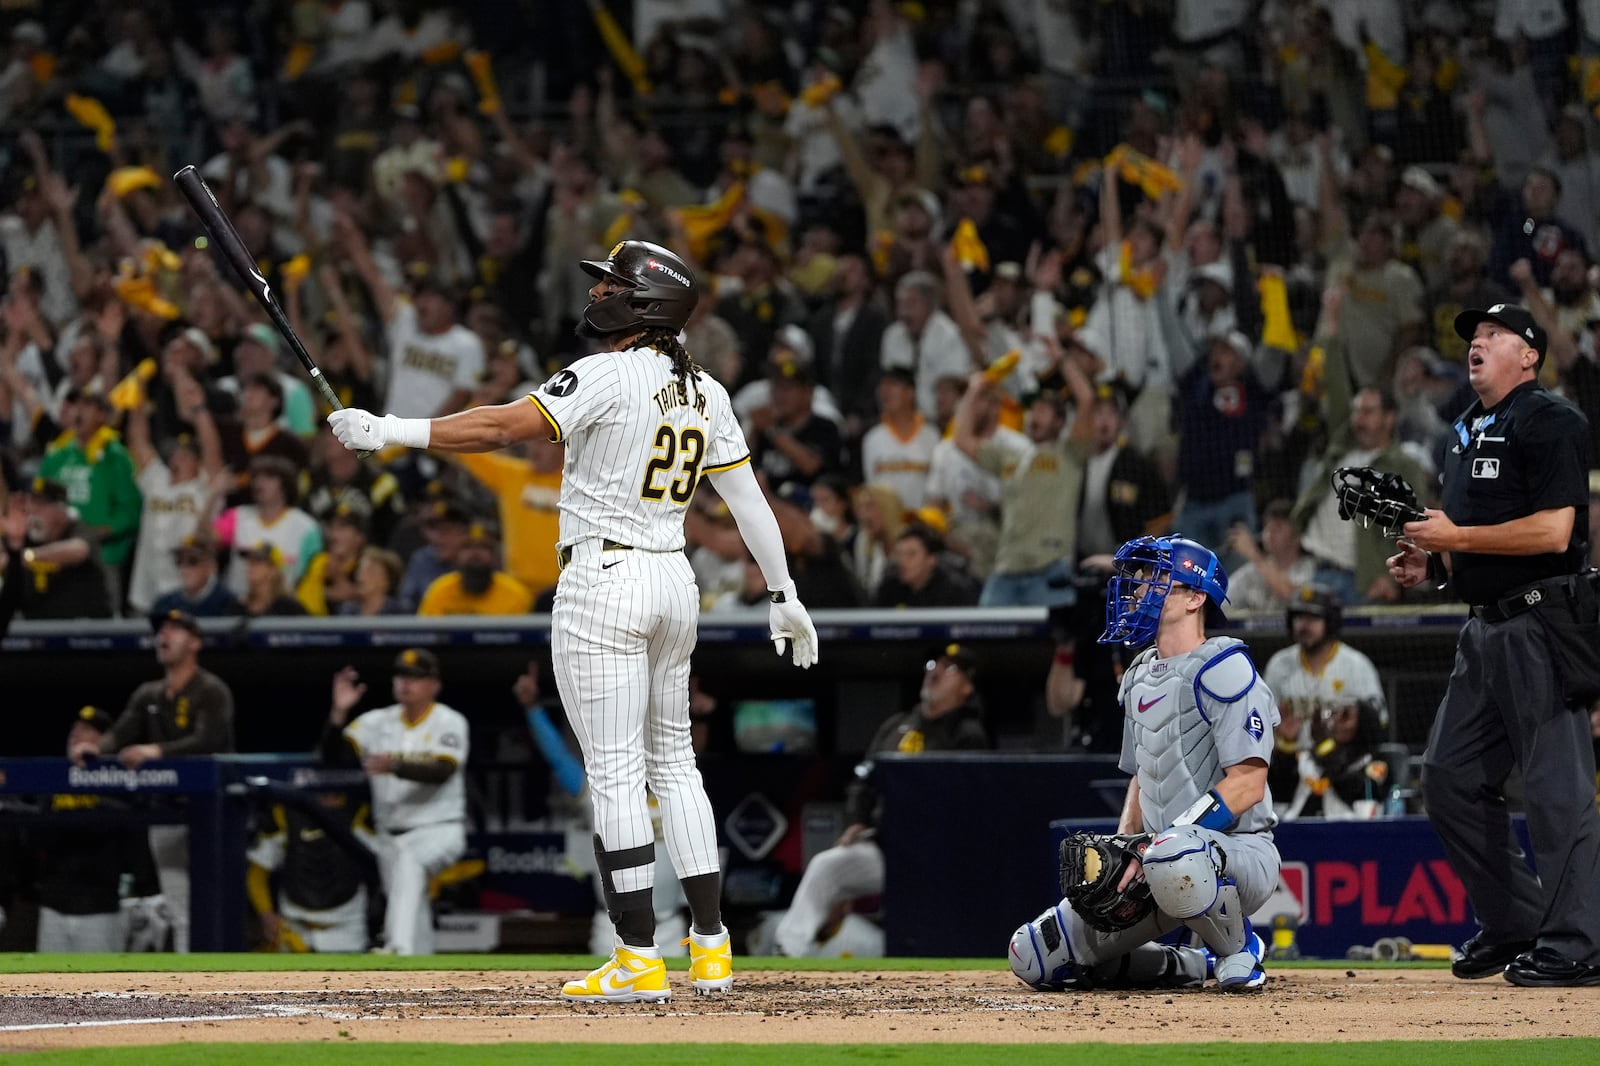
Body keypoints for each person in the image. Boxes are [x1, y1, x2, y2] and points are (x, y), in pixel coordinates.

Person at [326, 239, 820, 1002]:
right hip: (673, 579)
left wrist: (389, 430)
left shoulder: (603, 373)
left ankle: (635, 956)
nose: (598, 295)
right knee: (676, 768)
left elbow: (498, 430)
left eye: (613, 285)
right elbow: (748, 500)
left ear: (647, 304)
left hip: (605, 576)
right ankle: (712, 948)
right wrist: (784, 592)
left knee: (617, 774)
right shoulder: (708, 391)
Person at [1389, 304, 1600, 987]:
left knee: (1556, 790)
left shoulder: (1551, 420)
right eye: (1473, 338)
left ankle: (1578, 945)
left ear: (1530, 356)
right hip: (1482, 629)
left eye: (1493, 337)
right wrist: (1436, 565)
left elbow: (1552, 533)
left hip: (1543, 622)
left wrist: (1454, 540)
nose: (1476, 344)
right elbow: (1469, 536)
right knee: (1449, 777)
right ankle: (1515, 923)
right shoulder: (1464, 430)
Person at [1008, 535, 1280, 992]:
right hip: (1157, 859)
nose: (1137, 589)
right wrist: (1124, 845)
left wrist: (1160, 842)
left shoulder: (1224, 668)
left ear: (1195, 597)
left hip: (1238, 854)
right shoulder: (1139, 674)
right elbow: (1142, 778)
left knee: (1173, 852)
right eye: (1137, 578)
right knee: (1034, 956)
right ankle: (1193, 965)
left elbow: (1248, 784)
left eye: (1156, 579)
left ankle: (1239, 949)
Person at [772, 644, 991, 958]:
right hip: (886, 847)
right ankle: (787, 950)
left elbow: (968, 804)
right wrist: (857, 821)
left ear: (967, 687)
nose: (936, 672)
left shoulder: (968, 734)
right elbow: (863, 782)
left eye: (950, 669)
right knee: (828, 866)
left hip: (937, 856)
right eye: (934, 664)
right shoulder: (897, 725)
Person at [70, 609, 236, 952]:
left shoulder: (211, 689)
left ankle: (227, 981)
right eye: (162, 629)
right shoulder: (149, 694)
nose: (164, 635)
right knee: (178, 909)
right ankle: (193, 986)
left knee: (217, 901)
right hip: (167, 811)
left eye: (175, 629)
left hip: (213, 813)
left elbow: (208, 741)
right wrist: (92, 747)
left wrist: (156, 750)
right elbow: (118, 735)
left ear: (194, 642)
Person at [322, 649, 468, 956]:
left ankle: (396, 949)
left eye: (416, 677)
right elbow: (333, 759)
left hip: (439, 829)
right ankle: (422, 977)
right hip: (389, 834)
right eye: (402, 676)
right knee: (411, 909)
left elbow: (444, 770)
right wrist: (338, 713)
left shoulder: (449, 721)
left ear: (434, 685)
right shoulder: (376, 722)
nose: (406, 683)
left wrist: (396, 765)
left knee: (409, 862)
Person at [1260, 587, 1390, 819]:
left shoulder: (1356, 666)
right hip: (1291, 770)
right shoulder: (1279, 666)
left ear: (1330, 622)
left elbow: (1377, 725)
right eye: (1299, 617)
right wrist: (1284, 741)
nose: (1304, 625)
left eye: (1313, 618)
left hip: (1344, 768)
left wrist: (1334, 741)